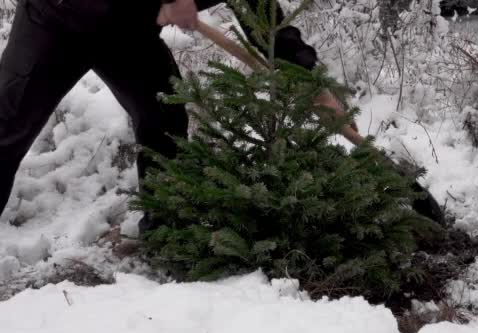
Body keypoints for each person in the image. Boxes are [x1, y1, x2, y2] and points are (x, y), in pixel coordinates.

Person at [0, 0, 318, 229]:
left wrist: (308, 74)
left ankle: (166, 234)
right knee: (8, 124)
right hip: (58, 17)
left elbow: (262, 17)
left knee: (164, 117)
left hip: (127, 31)